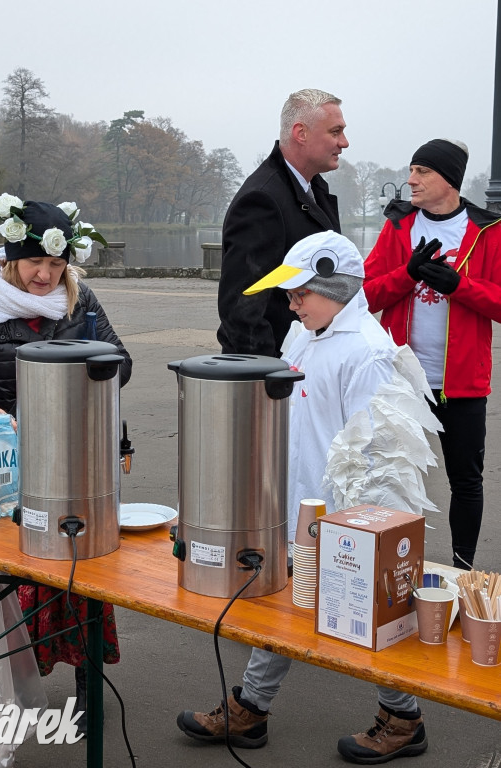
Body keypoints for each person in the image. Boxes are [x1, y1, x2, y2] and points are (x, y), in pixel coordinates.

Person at [177, 230, 440, 764]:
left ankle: (405, 718)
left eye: (301, 293)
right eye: (290, 293)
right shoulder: (302, 336)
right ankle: (250, 707)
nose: (291, 303)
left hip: (340, 515)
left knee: (364, 614)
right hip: (293, 503)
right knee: (279, 607)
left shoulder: (367, 351)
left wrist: (361, 530)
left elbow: (378, 451)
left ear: (338, 287)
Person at [0, 194, 132, 738]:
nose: (45, 275)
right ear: (13, 256)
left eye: (56, 265)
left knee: (82, 571)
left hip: (76, 460)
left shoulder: (80, 300)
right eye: (35, 264)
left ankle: (88, 680)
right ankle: (5, 686)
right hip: (3, 464)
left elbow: (120, 360)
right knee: (7, 582)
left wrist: (90, 377)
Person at [363, 138, 501, 570]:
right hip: (400, 381)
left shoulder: (488, 231)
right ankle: (388, 573)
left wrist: (459, 287)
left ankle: (464, 573)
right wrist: (406, 275)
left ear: (450, 180)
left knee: (466, 481)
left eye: (422, 171)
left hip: (462, 383)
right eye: (411, 170)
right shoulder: (399, 227)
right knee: (389, 476)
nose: (411, 180)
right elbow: (364, 297)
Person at [217, 88, 348, 357]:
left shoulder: (313, 189)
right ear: (301, 133)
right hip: (281, 372)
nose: (344, 142)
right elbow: (243, 309)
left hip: (308, 363)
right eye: (335, 132)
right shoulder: (261, 200)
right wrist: (271, 377)